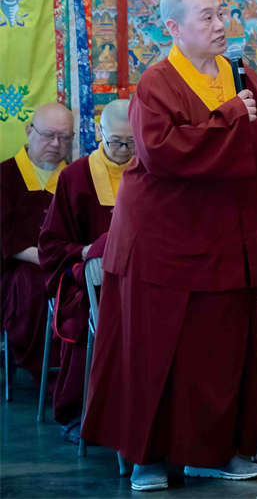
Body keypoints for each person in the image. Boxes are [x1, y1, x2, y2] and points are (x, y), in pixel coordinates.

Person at [81, 0, 257, 492]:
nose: (221, 25)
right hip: (162, 240)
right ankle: (149, 458)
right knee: (157, 351)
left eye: (222, 14)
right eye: (207, 17)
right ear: (173, 28)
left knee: (221, 350)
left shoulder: (236, 74)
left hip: (225, 237)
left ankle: (218, 452)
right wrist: (230, 115)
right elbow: (163, 153)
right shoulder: (156, 84)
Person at [38, 98, 132, 441]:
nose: (124, 151)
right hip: (87, 281)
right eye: (116, 142)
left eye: (132, 142)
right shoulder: (75, 176)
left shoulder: (151, 173)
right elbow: (51, 246)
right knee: (84, 316)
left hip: (140, 277)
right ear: (100, 133)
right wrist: (88, 251)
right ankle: (80, 412)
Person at [1, 102, 73, 383]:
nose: (56, 144)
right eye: (49, 135)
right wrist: (46, 259)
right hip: (19, 267)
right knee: (33, 286)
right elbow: (5, 234)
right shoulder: (5, 175)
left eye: (64, 137)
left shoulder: (75, 177)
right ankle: (51, 376)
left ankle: (80, 371)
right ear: (29, 131)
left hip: (67, 264)